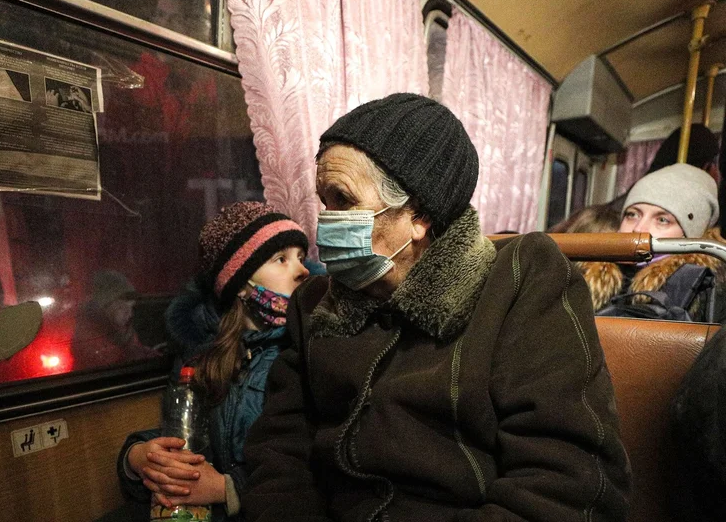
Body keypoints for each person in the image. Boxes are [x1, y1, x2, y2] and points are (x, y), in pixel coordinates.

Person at [242, 93, 630, 521]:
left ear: (418, 216)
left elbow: (566, 483)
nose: (325, 222)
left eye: (344, 201)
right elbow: (280, 453)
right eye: (325, 203)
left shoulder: (523, 281)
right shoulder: (313, 304)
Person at [115, 202, 310, 521]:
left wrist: (228, 489)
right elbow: (190, 439)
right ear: (241, 283)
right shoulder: (206, 356)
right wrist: (137, 457)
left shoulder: (307, 349)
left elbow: (318, 468)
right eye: (281, 259)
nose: (303, 270)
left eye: (301, 257)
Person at [578, 163, 724, 319]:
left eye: (662, 220)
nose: (639, 228)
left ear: (691, 236)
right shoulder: (585, 274)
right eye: (632, 215)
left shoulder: (708, 293)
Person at [72, 270, 159, 369]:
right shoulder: (91, 338)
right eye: (122, 307)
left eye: (131, 307)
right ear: (106, 306)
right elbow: (118, 362)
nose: (130, 314)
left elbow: (134, 349)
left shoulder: (121, 330)